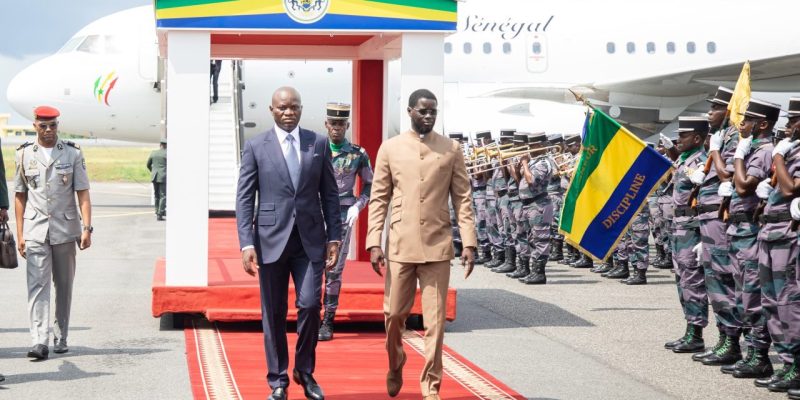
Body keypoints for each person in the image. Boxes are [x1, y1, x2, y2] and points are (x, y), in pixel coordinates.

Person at [366, 89, 476, 400]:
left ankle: (431, 386)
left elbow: (463, 198)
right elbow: (379, 199)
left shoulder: (451, 149)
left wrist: (469, 242)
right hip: (401, 244)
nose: (428, 116)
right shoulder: (390, 148)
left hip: (437, 245)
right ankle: (395, 361)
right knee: (393, 316)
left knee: (435, 322)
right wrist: (374, 241)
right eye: (423, 111)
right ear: (410, 112)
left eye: (433, 112)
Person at [236, 87, 341, 400]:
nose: (288, 112)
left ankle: (304, 370)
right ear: (272, 110)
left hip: (310, 241)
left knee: (310, 304)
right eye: (282, 108)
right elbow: (244, 198)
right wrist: (246, 243)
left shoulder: (317, 143)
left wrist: (334, 236)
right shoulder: (256, 146)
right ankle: (278, 381)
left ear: (301, 109)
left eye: (294, 107)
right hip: (270, 240)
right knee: (273, 312)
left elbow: (330, 194)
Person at [14, 105, 92, 360]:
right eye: (43, 125)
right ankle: (39, 340)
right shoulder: (24, 154)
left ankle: (61, 335)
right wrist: (21, 234)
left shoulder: (72, 153)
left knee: (64, 285)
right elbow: (20, 195)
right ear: (35, 125)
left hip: (65, 230)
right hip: (35, 230)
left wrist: (87, 228)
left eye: (53, 125)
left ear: (58, 125)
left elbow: (82, 193)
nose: (48, 130)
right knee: (37, 285)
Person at [718, 98, 780, 379]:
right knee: (743, 295)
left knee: (754, 296)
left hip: (751, 233)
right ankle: (752, 352)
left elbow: (743, 187)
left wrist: (738, 156)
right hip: (739, 231)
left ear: (763, 124)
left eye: (747, 121)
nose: (741, 125)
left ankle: (760, 356)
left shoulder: (763, 152)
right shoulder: (754, 150)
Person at [689, 87, 743, 366]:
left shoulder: (733, 139)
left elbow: (727, 175)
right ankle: (724, 338)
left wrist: (715, 150)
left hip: (721, 222)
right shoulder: (720, 138)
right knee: (714, 281)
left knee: (723, 280)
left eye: (715, 108)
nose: (709, 113)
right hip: (709, 223)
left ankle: (732, 342)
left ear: (728, 111)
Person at [754, 97, 800, 392]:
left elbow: (791, 187)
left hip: (787, 235)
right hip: (770, 234)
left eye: (794, 120)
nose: (788, 126)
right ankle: (787, 363)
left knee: (790, 302)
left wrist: (779, 158)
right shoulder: (791, 149)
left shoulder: (787, 152)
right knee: (772, 303)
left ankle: (797, 365)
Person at [318, 102, 373, 342]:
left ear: (347, 125)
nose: (337, 128)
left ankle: (328, 320)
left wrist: (358, 205)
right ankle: (310, 315)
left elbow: (371, 184)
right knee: (311, 267)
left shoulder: (357, 154)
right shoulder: (316, 150)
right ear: (326, 124)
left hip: (342, 216)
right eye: (333, 123)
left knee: (334, 269)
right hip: (315, 215)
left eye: (341, 124)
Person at [661, 117, 709, 354]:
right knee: (682, 281)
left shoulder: (701, 162)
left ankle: (696, 333)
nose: (678, 140)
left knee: (693, 280)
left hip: (692, 227)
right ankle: (690, 329)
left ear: (697, 138)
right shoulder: (683, 159)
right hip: (679, 226)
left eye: (683, 136)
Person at [147, 138, 167, 221]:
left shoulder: (153, 153)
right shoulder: (167, 153)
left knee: (156, 195)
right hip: (163, 176)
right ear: (166, 145)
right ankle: (160, 213)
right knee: (163, 195)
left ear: (160, 145)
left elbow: (148, 164)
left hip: (154, 176)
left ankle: (157, 211)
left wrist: (153, 171)